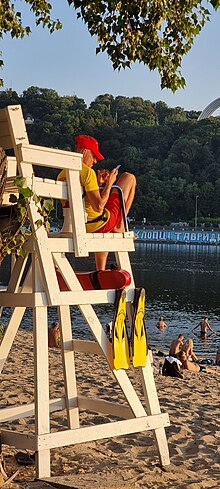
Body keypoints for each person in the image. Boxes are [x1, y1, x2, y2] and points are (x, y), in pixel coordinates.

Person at [58, 134, 136, 270]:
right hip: (98, 223)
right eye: (94, 156)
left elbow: (83, 200)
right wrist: (109, 184)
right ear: (84, 152)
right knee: (129, 178)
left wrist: (98, 184)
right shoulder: (88, 172)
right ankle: (120, 226)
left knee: (103, 223)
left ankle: (101, 270)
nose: (95, 162)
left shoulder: (62, 174)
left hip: (78, 224)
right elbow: (99, 206)